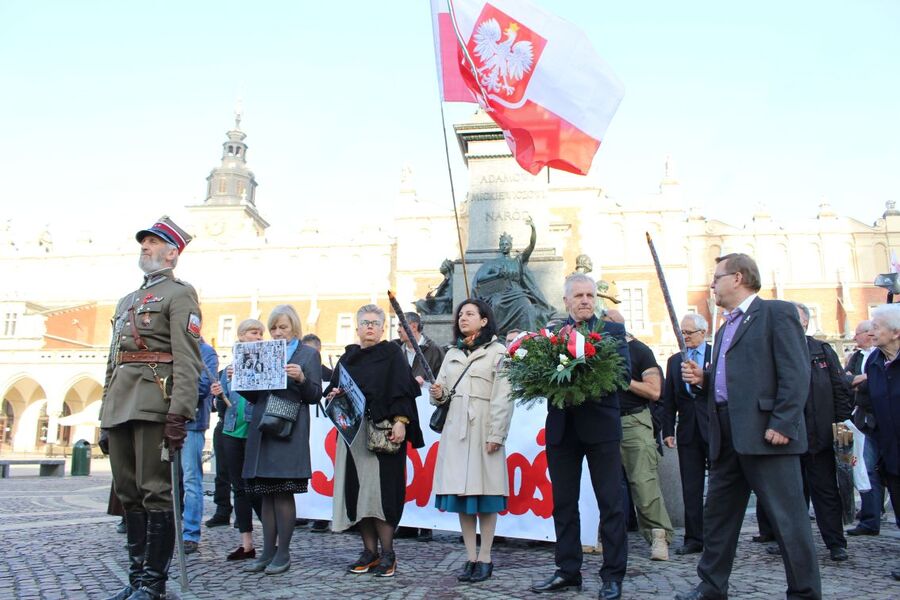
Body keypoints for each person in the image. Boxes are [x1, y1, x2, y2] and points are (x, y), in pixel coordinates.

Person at [677, 253, 820, 600]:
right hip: (725, 435)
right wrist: (705, 379)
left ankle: (804, 593)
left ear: (738, 278)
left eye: (717, 278)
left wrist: (783, 422)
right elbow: (738, 379)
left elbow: (796, 372)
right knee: (718, 517)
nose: (712, 285)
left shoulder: (776, 313)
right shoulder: (724, 326)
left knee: (788, 521)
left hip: (768, 434)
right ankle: (711, 587)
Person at [98, 216, 202, 600]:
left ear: (172, 254)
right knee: (128, 494)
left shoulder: (180, 294)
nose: (145, 246)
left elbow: (187, 358)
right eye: (144, 242)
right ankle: (136, 578)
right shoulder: (127, 300)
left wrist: (179, 412)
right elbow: (113, 359)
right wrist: (104, 415)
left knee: (155, 492)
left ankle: (153, 584)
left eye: (154, 242)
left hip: (154, 402)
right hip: (120, 404)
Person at [531, 273, 630, 600]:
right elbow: (538, 377)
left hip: (601, 429)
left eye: (589, 295)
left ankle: (612, 576)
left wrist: (583, 380)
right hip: (562, 430)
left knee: (610, 504)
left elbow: (623, 377)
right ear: (566, 301)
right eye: (578, 296)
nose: (585, 300)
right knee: (563, 504)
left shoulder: (612, 332)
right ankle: (567, 570)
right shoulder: (551, 336)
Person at [324, 304, 424, 578]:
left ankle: (388, 553)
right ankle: (369, 552)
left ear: (382, 328)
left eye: (375, 323)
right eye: (365, 322)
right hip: (352, 436)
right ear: (357, 328)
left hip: (383, 433)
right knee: (359, 495)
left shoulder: (392, 354)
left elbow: (404, 391)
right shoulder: (348, 358)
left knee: (382, 496)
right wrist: (334, 395)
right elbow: (332, 390)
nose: (370, 326)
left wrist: (401, 422)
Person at [757, 302, 852, 561]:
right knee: (791, 496)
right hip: (787, 436)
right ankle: (790, 543)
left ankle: (835, 543)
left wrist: (841, 426)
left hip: (821, 436)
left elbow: (839, 388)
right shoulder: (772, 351)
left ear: (805, 323)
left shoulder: (822, 350)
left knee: (826, 492)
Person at [429, 299, 513, 583]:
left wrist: (496, 433)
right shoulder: (452, 353)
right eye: (460, 314)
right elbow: (441, 394)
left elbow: (504, 396)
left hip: (483, 429)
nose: (462, 318)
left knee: (486, 495)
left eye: (469, 314)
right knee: (461, 496)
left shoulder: (499, 352)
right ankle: (470, 557)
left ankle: (486, 557)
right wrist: (438, 393)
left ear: (484, 320)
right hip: (456, 431)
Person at [240, 305, 322, 575]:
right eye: (273, 327)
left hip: (289, 429)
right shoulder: (263, 352)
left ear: (294, 327)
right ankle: (267, 552)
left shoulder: (308, 354)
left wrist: (301, 378)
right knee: (266, 494)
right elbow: (256, 396)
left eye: (282, 327)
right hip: (263, 427)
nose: (277, 332)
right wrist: (240, 380)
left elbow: (314, 395)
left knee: (283, 492)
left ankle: (283, 553)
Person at [613, 320, 673, 561]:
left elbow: (654, 391)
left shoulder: (639, 350)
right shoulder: (591, 350)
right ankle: (601, 537)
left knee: (643, 482)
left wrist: (624, 380)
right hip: (601, 422)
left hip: (633, 421)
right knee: (602, 485)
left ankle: (659, 536)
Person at [210, 319, 266, 561]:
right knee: (239, 488)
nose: (259, 337)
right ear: (242, 336)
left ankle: (273, 539)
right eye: (254, 333)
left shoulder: (265, 365)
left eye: (260, 333)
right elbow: (222, 406)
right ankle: (246, 544)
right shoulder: (229, 369)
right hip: (232, 431)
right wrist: (218, 394)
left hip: (254, 430)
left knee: (257, 488)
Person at [661, 314, 712, 556]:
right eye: (682, 333)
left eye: (689, 333)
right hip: (688, 431)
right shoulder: (674, 361)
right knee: (691, 487)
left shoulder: (716, 355)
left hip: (714, 429)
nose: (685, 337)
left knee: (719, 485)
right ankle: (694, 538)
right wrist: (668, 430)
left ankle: (717, 535)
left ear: (703, 332)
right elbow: (669, 399)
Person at [395, 311, 445, 542]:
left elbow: (442, 380)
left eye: (401, 326)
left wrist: (425, 384)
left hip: (425, 413)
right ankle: (406, 520)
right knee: (404, 467)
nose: (398, 330)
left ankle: (426, 522)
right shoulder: (396, 350)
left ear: (413, 326)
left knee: (425, 465)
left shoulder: (434, 351)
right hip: (402, 413)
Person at [860, 303, 900, 581]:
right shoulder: (875, 361)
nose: (870, 332)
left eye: (876, 327)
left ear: (896, 333)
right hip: (890, 449)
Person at [844, 320, 893, 536]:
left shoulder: (884, 356)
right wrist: (860, 381)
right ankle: (870, 519)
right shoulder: (860, 357)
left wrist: (860, 381)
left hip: (888, 422)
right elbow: (844, 381)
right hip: (865, 421)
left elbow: (877, 384)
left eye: (875, 330)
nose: (871, 334)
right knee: (867, 470)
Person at [471, 216, 555, 336]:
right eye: (502, 244)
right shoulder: (493, 263)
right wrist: (496, 274)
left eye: (507, 244)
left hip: (517, 293)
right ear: (500, 246)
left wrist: (533, 229)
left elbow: (531, 246)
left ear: (510, 246)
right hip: (499, 293)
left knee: (527, 306)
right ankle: (495, 336)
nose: (505, 246)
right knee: (496, 304)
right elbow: (481, 279)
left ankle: (529, 339)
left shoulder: (517, 260)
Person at [181, 337, 218, 555]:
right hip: (165, 421)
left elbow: (203, 387)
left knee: (191, 479)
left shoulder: (205, 351)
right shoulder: (171, 345)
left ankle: (190, 533)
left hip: (191, 422)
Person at [300, 332, 331, 534]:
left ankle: (322, 516)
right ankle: (303, 511)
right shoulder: (295, 371)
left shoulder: (330, 375)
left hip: (324, 433)